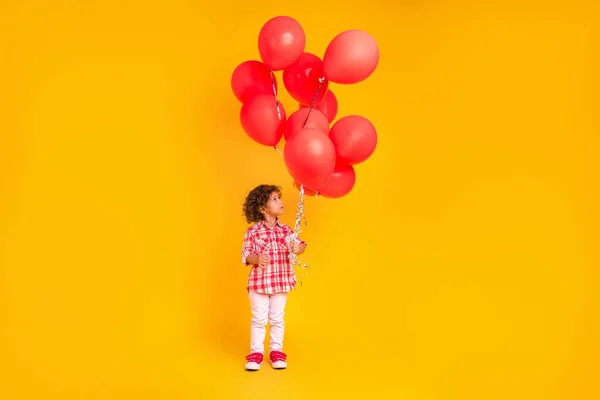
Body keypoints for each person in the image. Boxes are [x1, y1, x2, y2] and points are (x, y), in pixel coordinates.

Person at [240, 184, 306, 371]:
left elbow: (301, 246)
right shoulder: (253, 232)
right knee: (259, 319)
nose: (281, 202)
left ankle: (276, 350)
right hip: (259, 284)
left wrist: (297, 249)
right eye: (275, 199)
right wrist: (256, 258)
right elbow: (246, 254)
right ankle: (256, 353)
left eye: (279, 198)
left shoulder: (286, 231)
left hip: (280, 283)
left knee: (277, 318)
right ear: (262, 208)